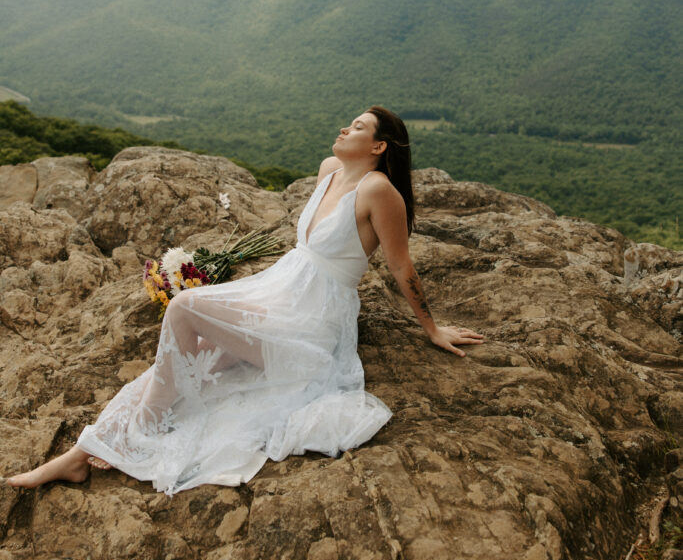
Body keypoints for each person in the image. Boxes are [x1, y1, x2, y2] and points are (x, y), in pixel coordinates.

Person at [7, 106, 483, 495]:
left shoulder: (379, 190)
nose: (344, 127)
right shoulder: (329, 171)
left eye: (358, 127)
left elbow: (402, 266)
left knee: (185, 310)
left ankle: (138, 433)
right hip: (282, 292)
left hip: (313, 322)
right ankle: (79, 456)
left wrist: (432, 329)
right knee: (192, 358)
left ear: (379, 147)